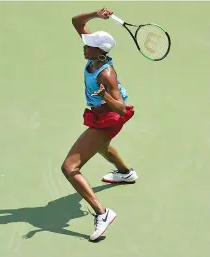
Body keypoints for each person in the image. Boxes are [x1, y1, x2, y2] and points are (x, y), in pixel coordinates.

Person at [61, 7, 138, 241]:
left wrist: (104, 97)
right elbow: (75, 21)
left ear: (99, 51)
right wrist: (97, 14)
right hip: (100, 116)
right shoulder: (94, 54)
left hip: (108, 118)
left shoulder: (106, 74)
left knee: (69, 168)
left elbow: (122, 109)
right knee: (101, 147)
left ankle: (102, 213)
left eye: (88, 44)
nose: (83, 45)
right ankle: (126, 173)